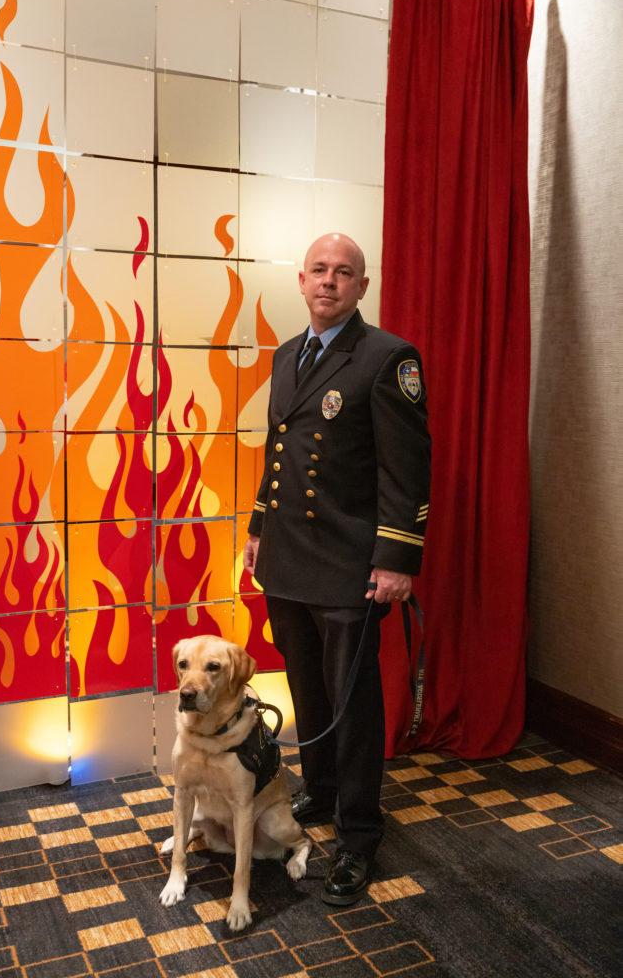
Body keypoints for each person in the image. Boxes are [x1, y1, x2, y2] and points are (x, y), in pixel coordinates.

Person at [243, 233, 431, 906]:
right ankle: (320, 791)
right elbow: (280, 453)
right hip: (289, 557)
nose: (329, 281)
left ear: (361, 287)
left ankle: (359, 835)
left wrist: (396, 560)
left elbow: (406, 470)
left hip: (349, 565)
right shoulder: (287, 354)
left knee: (352, 707)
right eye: (319, 270)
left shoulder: (387, 358)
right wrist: (258, 528)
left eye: (343, 272)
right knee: (306, 687)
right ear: (301, 281)